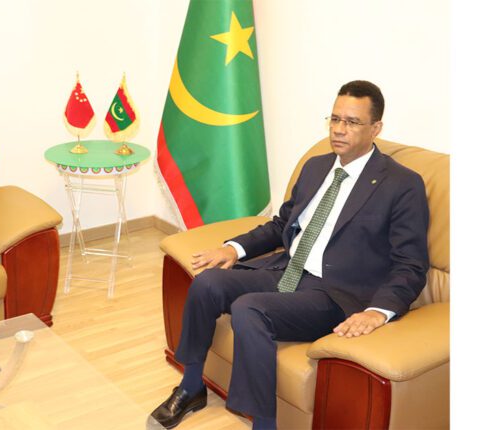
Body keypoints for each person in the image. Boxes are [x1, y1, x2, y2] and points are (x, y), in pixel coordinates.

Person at [149, 80, 429, 429]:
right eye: (335, 119)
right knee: (208, 284)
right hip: (288, 269)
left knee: (249, 308)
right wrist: (233, 248)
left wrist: (378, 311)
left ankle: (265, 424)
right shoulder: (316, 167)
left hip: (335, 293)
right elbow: (282, 224)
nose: (339, 129)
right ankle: (191, 386)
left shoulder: (401, 184)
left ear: (376, 128)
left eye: (352, 122)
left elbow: (411, 264)